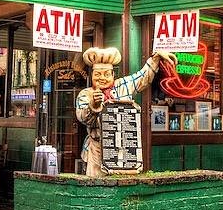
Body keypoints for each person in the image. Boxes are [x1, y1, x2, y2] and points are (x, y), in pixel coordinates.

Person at [75, 47, 176, 176]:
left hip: (124, 146)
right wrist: (93, 105)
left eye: (106, 74)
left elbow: (142, 77)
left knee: (124, 181)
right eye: (97, 74)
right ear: (92, 76)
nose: (102, 78)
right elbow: (82, 117)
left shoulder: (122, 85)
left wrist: (156, 58)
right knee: (97, 183)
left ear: (113, 75)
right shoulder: (86, 94)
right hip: (97, 150)